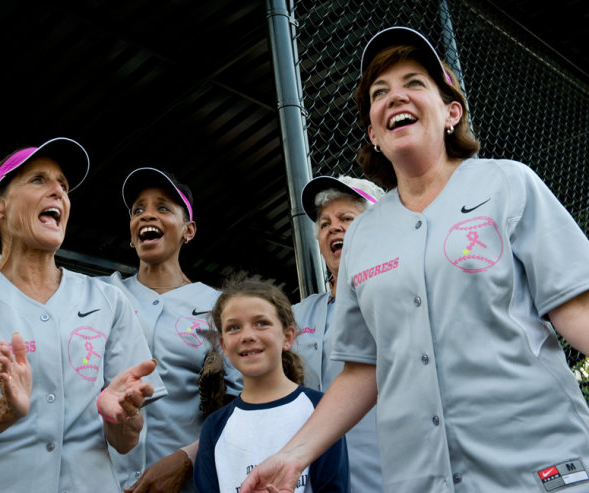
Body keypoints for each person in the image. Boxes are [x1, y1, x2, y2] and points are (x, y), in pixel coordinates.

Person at [241, 26, 589, 493]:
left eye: (414, 83)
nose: (393, 97)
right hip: (419, 480)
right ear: (373, 133)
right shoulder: (363, 233)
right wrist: (291, 456)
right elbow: (364, 368)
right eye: (379, 93)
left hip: (537, 467)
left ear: (451, 112)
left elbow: (575, 307)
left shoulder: (507, 185)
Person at [0, 138, 167, 492]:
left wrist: (121, 416)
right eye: (38, 180)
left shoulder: (108, 300)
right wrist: (5, 410)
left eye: (63, 186)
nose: (58, 193)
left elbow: (126, 442)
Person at [103, 167, 243, 493]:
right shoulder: (100, 295)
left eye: (163, 208)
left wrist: (186, 459)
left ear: (188, 230)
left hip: (190, 483)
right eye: (138, 210)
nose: (146, 215)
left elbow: (248, 399)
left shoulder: (222, 307)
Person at [194, 279, 349, 493]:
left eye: (261, 323)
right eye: (234, 327)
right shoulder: (215, 427)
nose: (247, 336)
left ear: (288, 337)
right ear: (223, 346)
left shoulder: (321, 410)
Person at [293, 175, 384, 492]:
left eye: (347, 219)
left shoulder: (404, 299)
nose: (333, 227)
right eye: (324, 223)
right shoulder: (293, 316)